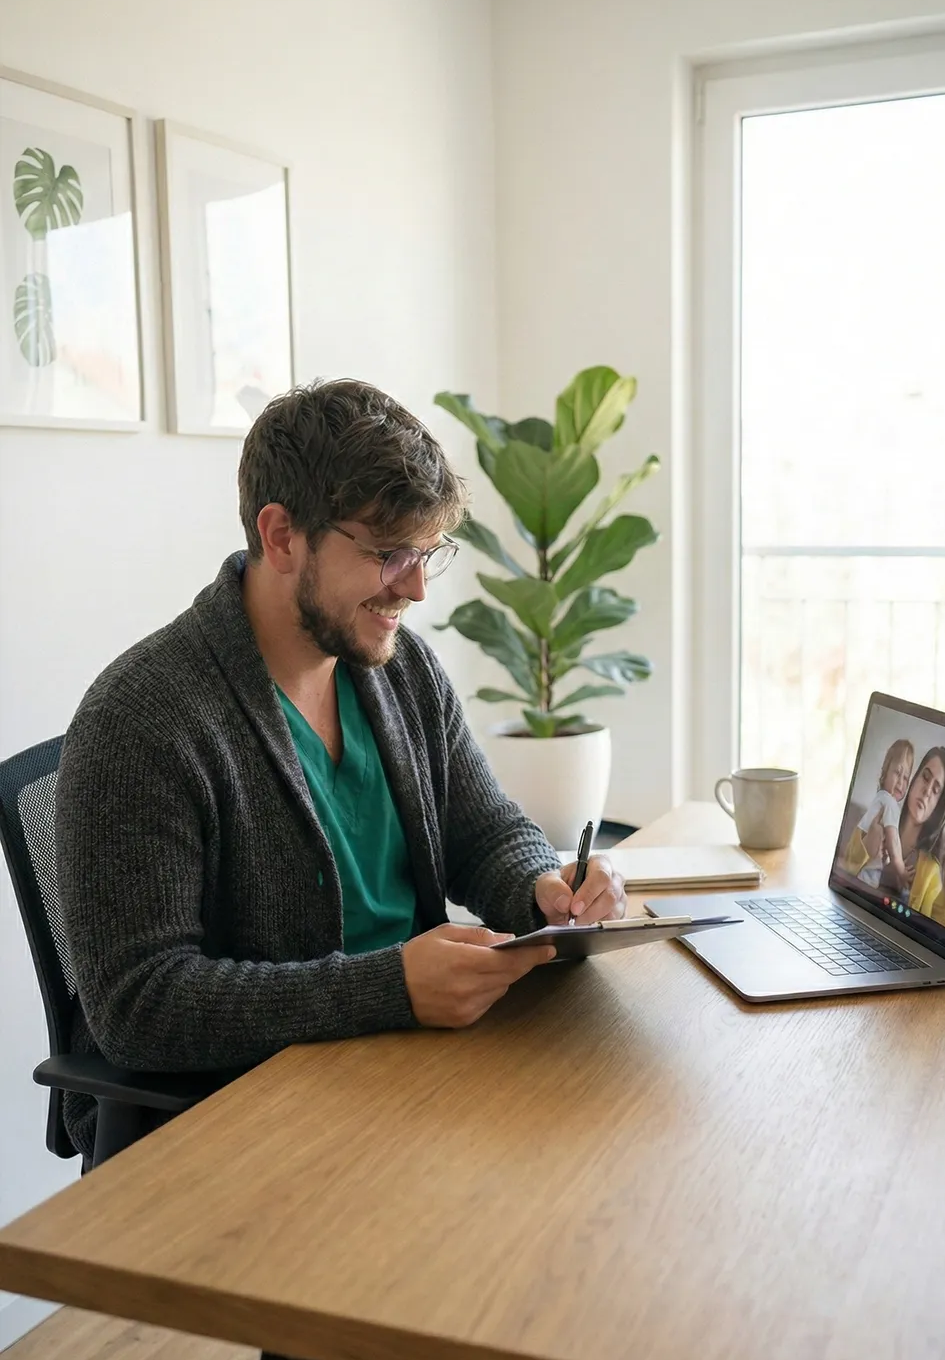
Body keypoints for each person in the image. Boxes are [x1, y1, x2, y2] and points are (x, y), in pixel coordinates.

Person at [55, 378, 628, 1173]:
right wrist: (389, 988)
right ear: (283, 535)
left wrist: (545, 887)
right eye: (389, 554)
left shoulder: (399, 671)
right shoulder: (144, 719)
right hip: (244, 1125)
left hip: (407, 1076)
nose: (417, 588)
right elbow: (139, 1006)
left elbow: (484, 830)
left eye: (426, 553)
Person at [846, 746, 945, 936]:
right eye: (925, 776)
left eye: (936, 789)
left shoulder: (930, 872)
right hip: (853, 920)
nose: (926, 791)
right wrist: (865, 849)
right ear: (914, 779)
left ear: (937, 806)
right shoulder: (873, 819)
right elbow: (842, 880)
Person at [842, 737, 913, 889]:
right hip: (865, 874)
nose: (901, 781)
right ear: (885, 772)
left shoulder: (880, 798)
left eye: (906, 777)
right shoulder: (889, 802)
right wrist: (901, 869)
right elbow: (893, 839)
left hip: (858, 863)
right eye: (897, 772)